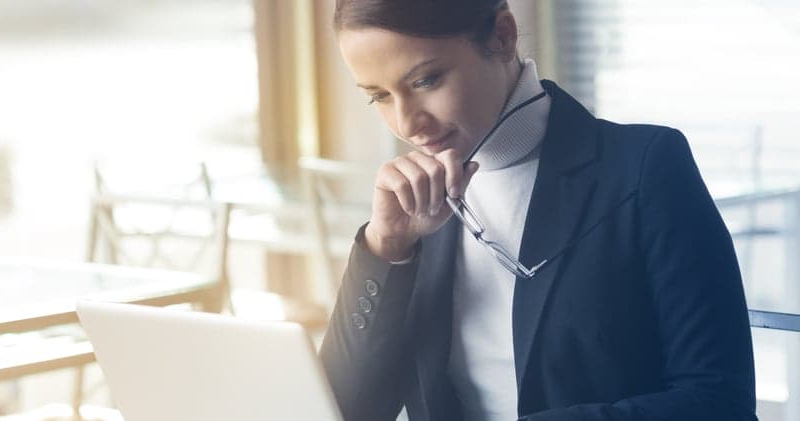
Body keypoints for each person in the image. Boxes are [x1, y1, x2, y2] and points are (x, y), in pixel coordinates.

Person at [319, 0, 758, 420]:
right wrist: (386, 247)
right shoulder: (414, 209)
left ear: (503, 35)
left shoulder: (644, 169)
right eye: (378, 96)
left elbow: (721, 403)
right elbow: (340, 411)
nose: (406, 123)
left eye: (425, 81)